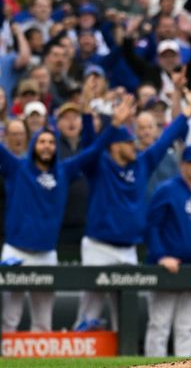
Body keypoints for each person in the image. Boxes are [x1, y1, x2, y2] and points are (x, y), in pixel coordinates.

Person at [73, 80, 191, 331]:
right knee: (88, 314)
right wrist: (91, 112)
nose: (134, 146)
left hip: (128, 250)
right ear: (114, 145)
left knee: (125, 319)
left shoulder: (141, 164)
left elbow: (165, 139)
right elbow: (91, 145)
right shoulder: (99, 165)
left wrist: (188, 110)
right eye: (127, 142)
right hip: (98, 248)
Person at [1, 97, 133, 333]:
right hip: (16, 252)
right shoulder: (17, 168)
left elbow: (93, 150)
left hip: (46, 254)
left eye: (51, 142)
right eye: (41, 141)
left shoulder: (65, 170)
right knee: (9, 319)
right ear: (34, 145)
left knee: (43, 322)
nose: (47, 146)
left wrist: (113, 125)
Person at [144, 145, 191, 357]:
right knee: (160, 325)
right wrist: (161, 256)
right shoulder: (167, 189)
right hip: (167, 270)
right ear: (182, 165)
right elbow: (152, 227)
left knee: (187, 327)